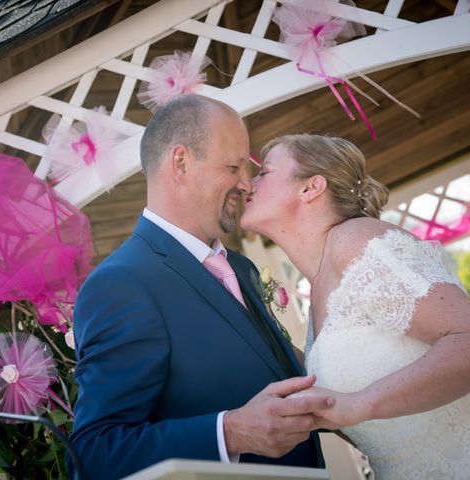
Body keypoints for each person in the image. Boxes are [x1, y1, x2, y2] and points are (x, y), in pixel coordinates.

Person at [240, 133, 470, 479]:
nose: (248, 182)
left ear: (311, 188)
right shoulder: (318, 287)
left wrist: (360, 403)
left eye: (264, 172)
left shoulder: (358, 242)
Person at [68, 96, 333, 479]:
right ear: (180, 163)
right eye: (233, 166)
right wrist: (231, 433)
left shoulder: (240, 268)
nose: (246, 183)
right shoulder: (122, 284)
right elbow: (93, 454)